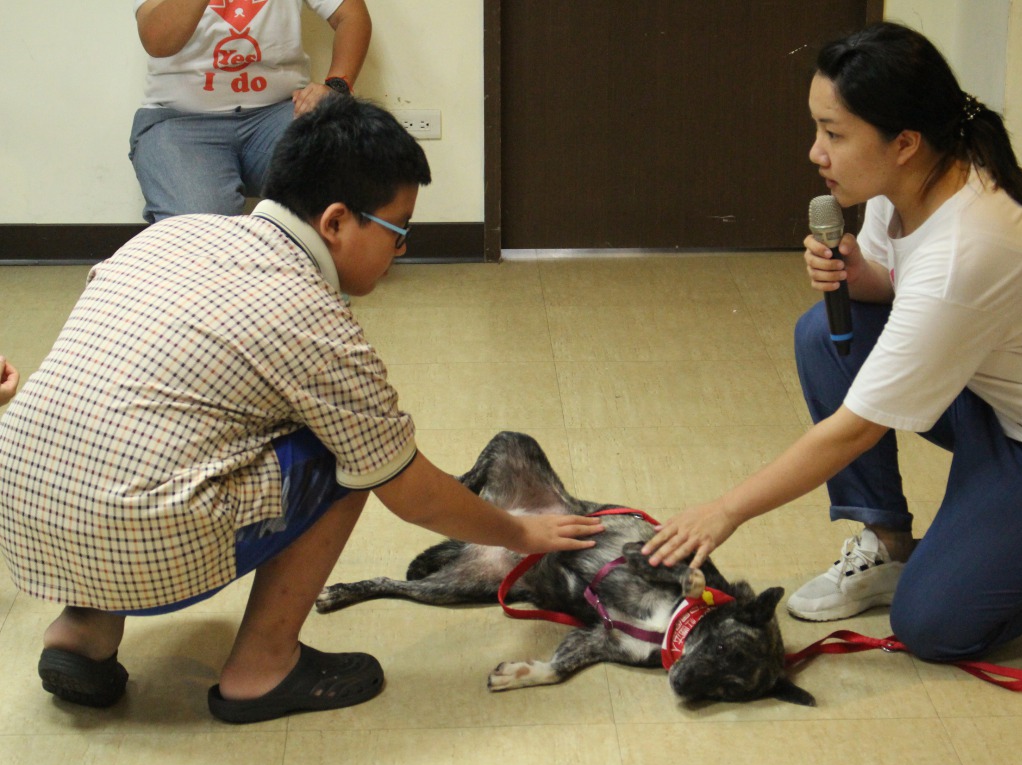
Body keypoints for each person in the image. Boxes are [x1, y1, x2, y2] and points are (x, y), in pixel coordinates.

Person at [0, 94, 604, 724]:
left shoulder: (176, 231)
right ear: (337, 222)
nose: (401, 254)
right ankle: (263, 668)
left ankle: (83, 633)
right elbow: (410, 490)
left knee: (145, 432)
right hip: (139, 535)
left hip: (21, 508)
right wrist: (520, 531)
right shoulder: (316, 322)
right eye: (399, 233)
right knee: (349, 456)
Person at [642, 22, 1022, 663]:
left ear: (904, 141)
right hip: (1006, 402)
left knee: (934, 625)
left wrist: (725, 510)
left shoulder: (968, 245)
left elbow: (855, 429)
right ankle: (890, 544)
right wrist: (856, 275)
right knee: (825, 333)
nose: (817, 152)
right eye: (818, 128)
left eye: (834, 134)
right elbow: (894, 289)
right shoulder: (909, 181)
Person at [130, 0, 372, 222]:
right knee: (201, 234)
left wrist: (337, 86)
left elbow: (351, 15)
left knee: (333, 186)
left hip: (280, 113)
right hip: (179, 122)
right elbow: (157, 41)